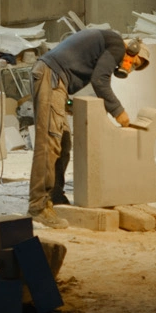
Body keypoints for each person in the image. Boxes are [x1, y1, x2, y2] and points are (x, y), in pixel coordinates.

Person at [31, 24, 147, 217]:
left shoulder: (107, 43)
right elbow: (100, 81)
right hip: (51, 76)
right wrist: (119, 112)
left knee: (63, 142)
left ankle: (55, 195)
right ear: (133, 48)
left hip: (55, 79)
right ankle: (39, 206)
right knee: (49, 142)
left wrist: (67, 102)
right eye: (135, 62)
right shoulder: (117, 45)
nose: (130, 67)